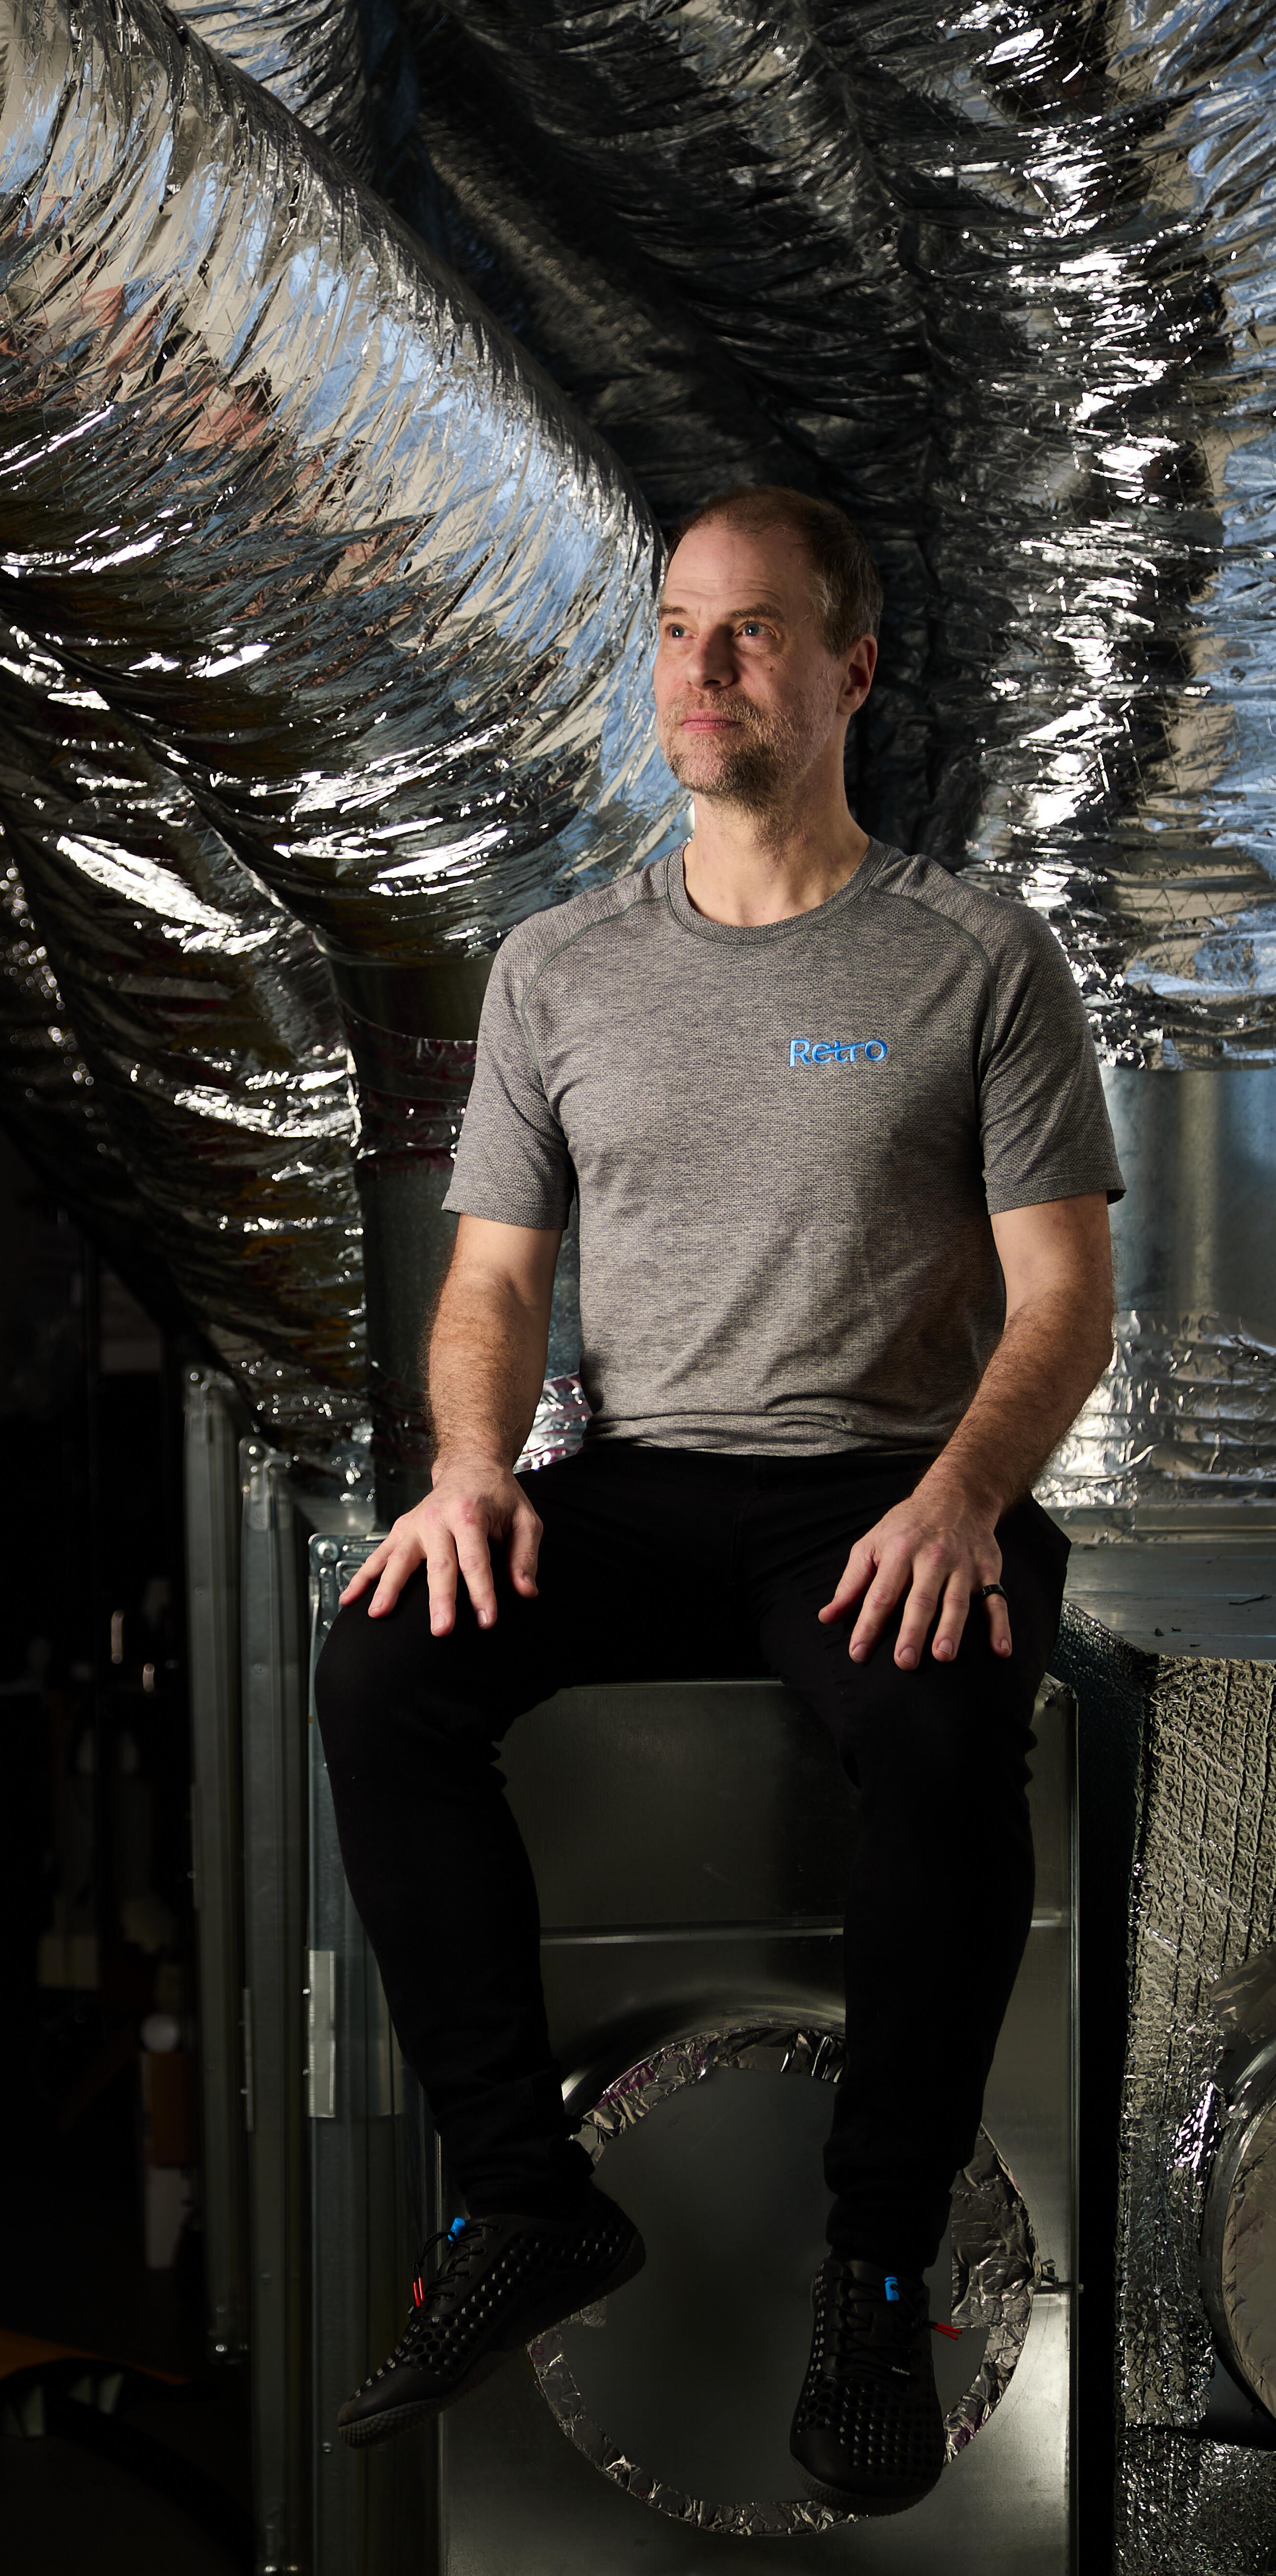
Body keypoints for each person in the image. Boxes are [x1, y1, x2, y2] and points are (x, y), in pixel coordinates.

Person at [313, 485, 1120, 2516]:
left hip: (890, 1483)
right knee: (386, 1663)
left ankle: (876, 2265)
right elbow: (493, 1282)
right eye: (681, 628)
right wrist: (475, 1472)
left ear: (852, 670)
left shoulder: (970, 954)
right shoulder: (563, 968)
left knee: (941, 1723)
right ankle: (524, 2201)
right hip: (654, 1481)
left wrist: (958, 1500)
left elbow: (1064, 1298)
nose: (706, 668)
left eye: (753, 634)